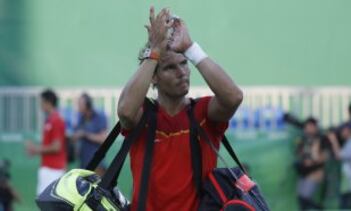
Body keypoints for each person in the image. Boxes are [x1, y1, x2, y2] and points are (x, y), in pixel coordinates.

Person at [117, 7, 243, 211]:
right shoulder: (144, 116)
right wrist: (154, 52)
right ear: (154, 77)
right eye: (170, 67)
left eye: (184, 64)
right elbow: (125, 111)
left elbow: (233, 97)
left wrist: (191, 48)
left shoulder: (203, 113)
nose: (182, 72)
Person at [25, 89, 67, 196]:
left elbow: (56, 147)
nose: (40, 105)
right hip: (48, 168)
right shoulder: (49, 120)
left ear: (48, 102)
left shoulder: (56, 120)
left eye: (42, 102)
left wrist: (35, 149)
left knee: (49, 202)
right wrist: (36, 150)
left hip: (54, 170)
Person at [294, 117, 326, 210]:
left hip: (315, 172)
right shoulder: (303, 139)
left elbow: (324, 157)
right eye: (306, 127)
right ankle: (319, 207)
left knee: (305, 198)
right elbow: (299, 154)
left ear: (315, 127)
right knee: (301, 198)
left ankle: (320, 208)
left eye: (310, 126)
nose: (307, 129)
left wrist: (312, 161)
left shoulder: (321, 139)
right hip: (304, 171)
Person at [72, 93, 108, 175]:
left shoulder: (100, 117)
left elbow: (103, 139)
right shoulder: (80, 118)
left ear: (87, 105)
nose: (78, 107)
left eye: (80, 104)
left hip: (97, 165)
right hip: (83, 165)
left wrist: (85, 134)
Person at [327, 123, 351, 209]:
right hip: (349, 186)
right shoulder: (349, 143)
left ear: (348, 131)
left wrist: (333, 140)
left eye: (342, 130)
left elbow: (339, 156)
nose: (340, 133)